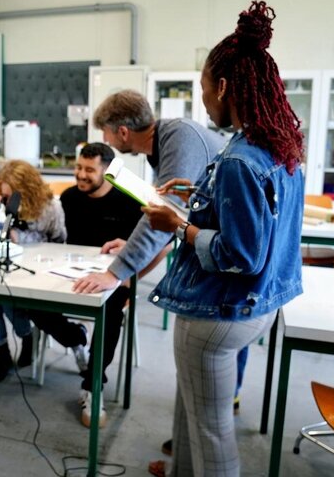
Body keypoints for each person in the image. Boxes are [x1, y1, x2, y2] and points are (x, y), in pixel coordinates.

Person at [144, 0, 305, 477]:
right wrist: (200, 194)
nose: (204, 101)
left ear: (223, 87)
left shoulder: (239, 159)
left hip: (222, 309)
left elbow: (240, 254)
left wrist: (181, 226)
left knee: (211, 428)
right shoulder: (279, 148)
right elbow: (260, 219)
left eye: (203, 90)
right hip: (262, 305)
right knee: (194, 410)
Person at [72, 90, 226, 425]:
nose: (106, 140)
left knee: (203, 385)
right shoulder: (169, 142)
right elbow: (172, 214)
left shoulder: (179, 140)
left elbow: (164, 215)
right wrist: (128, 248)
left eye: (106, 133)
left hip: (220, 264)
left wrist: (116, 273)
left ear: (122, 132)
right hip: (209, 254)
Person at [57, 142, 170, 427]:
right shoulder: (69, 197)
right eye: (78, 168)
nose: (81, 175)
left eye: (89, 170)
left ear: (107, 172)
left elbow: (165, 244)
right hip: (71, 275)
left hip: (114, 281)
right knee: (26, 301)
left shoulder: (130, 201)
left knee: (110, 314)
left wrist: (133, 279)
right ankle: (75, 337)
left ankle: (93, 386)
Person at [0, 160, 83, 383]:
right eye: (5, 195)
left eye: (12, 196)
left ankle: (27, 338)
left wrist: (22, 238)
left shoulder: (50, 207)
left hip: (36, 273)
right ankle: (2, 352)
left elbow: (59, 242)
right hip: (0, 267)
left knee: (11, 301)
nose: (9, 200)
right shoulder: (0, 201)